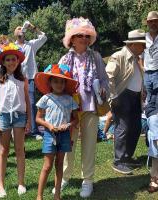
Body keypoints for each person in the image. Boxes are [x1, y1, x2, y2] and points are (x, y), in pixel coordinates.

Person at [57, 17, 109, 198]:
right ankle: (65, 177)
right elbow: (58, 82)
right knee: (68, 146)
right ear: (71, 38)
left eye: (87, 36)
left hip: (91, 108)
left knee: (88, 146)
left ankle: (87, 181)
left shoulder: (95, 57)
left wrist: (103, 89)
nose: (84, 39)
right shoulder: (65, 58)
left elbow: (104, 79)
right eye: (80, 35)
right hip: (70, 110)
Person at [0, 42, 31, 198]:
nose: (11, 62)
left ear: (18, 61)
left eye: (13, 59)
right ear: (3, 62)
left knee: (20, 150)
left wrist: (28, 120)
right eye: (7, 60)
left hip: (20, 116)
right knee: (3, 151)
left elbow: (27, 101)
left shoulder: (23, 79)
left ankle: (21, 182)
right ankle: (1, 185)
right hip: (4, 117)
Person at [34, 64, 79, 200]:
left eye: (61, 81)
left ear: (65, 83)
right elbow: (38, 118)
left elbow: (76, 119)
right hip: (50, 134)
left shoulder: (70, 99)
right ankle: (39, 196)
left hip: (64, 135)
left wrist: (69, 125)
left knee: (59, 164)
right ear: (50, 83)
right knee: (47, 166)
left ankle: (57, 195)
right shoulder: (46, 98)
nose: (59, 84)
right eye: (55, 81)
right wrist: (48, 125)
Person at [106, 29, 146, 175]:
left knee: (135, 127)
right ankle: (119, 161)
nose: (144, 47)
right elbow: (108, 76)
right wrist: (114, 96)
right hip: (122, 96)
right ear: (133, 44)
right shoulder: (119, 56)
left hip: (135, 97)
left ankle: (127, 157)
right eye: (142, 44)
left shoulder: (136, 58)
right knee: (122, 128)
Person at [14, 21, 47, 139]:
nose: (20, 30)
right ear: (14, 33)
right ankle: (19, 129)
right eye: (18, 29)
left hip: (30, 78)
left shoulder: (31, 45)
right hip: (16, 79)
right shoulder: (12, 47)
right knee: (17, 104)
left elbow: (43, 37)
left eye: (21, 28)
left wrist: (33, 27)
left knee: (31, 103)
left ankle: (34, 131)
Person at [142, 11, 158, 193]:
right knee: (151, 109)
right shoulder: (144, 38)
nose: (153, 23)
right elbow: (140, 56)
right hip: (148, 72)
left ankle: (155, 176)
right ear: (147, 22)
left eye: (156, 21)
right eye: (151, 21)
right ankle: (154, 175)